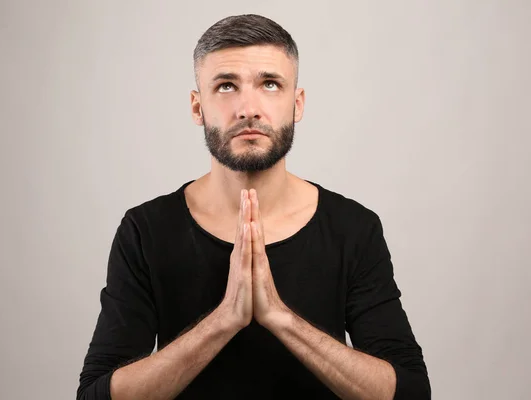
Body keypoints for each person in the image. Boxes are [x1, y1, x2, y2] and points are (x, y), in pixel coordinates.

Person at [77, 14, 430, 400]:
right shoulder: (145, 230)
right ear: (198, 108)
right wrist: (224, 320)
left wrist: (280, 318)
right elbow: (95, 395)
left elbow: (410, 392)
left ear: (297, 104)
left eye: (270, 84)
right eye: (226, 85)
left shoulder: (353, 228)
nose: (249, 108)